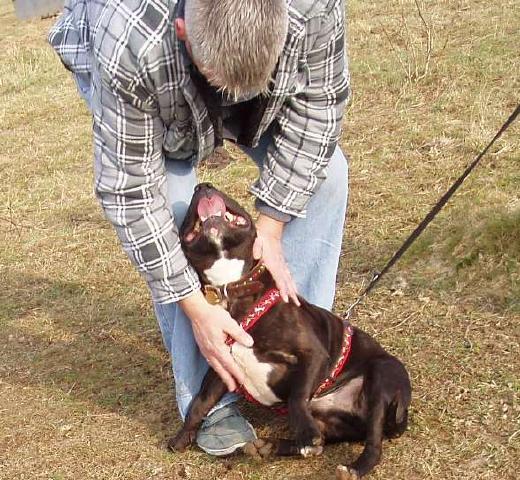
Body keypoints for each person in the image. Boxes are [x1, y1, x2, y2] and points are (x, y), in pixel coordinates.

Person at [49, 0, 350, 456]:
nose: (233, 102)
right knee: (171, 204)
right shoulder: (130, 35)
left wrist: (271, 226)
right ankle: (210, 401)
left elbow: (319, 111)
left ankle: (293, 363)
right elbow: (131, 193)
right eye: (220, 84)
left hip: (241, 71)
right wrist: (194, 306)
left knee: (327, 178)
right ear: (184, 30)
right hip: (158, 87)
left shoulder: (314, 7)